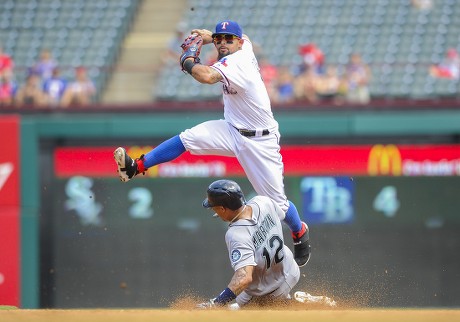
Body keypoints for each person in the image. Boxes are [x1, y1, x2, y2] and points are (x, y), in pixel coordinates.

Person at [113, 20, 311, 267]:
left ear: (238, 43)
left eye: (229, 39)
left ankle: (299, 231)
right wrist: (210, 36)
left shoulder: (238, 62)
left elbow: (205, 76)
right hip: (231, 128)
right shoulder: (245, 46)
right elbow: (238, 37)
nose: (224, 43)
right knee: (187, 138)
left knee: (279, 207)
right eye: (220, 39)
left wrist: (187, 60)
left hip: (260, 142)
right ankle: (136, 167)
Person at [196, 179, 337, 309]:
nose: (213, 210)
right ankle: (292, 301)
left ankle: (301, 306)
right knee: (238, 304)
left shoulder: (236, 234)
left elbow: (244, 278)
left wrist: (215, 303)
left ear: (222, 208)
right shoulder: (263, 201)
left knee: (243, 310)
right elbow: (286, 213)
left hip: (267, 290)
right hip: (290, 270)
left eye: (214, 208)